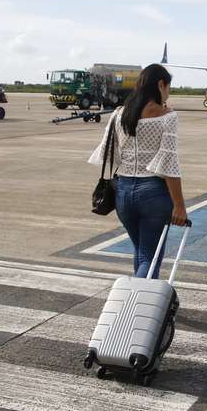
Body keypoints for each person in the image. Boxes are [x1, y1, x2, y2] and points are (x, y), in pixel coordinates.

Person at [88, 64, 187, 279]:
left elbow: (108, 153)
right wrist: (179, 205)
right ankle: (134, 303)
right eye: (168, 87)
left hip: (123, 193)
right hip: (153, 193)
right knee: (150, 260)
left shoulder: (118, 114)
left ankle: (136, 301)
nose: (168, 92)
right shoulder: (167, 117)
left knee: (142, 253)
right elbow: (169, 162)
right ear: (161, 85)